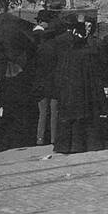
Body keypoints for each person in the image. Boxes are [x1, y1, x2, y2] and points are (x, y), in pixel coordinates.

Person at [53, 13, 106, 154]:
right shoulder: (87, 54)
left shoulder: (66, 55)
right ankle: (85, 145)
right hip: (84, 91)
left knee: (68, 118)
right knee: (86, 118)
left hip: (69, 90)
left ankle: (65, 146)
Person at [33, 15, 63, 146]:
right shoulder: (58, 49)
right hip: (55, 83)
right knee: (54, 112)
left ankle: (40, 138)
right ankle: (54, 138)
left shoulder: (39, 49)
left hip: (41, 84)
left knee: (42, 113)